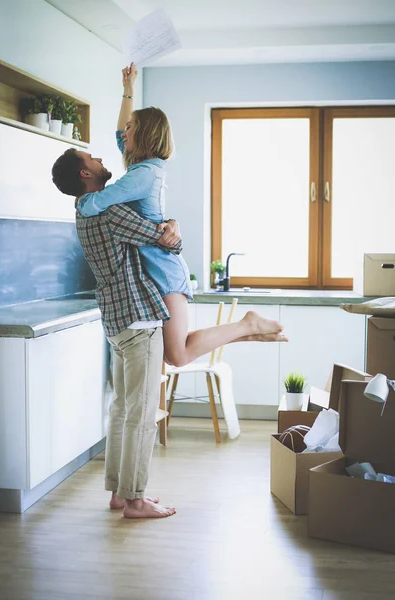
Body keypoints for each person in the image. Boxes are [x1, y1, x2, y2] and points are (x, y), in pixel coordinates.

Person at [75, 63, 288, 368]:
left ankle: (248, 325)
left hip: (163, 269)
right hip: (155, 267)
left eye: (131, 127)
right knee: (174, 354)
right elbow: (119, 134)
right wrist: (128, 91)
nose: (125, 132)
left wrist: (80, 203)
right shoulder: (144, 168)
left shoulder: (142, 175)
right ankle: (250, 330)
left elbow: (100, 202)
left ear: (145, 134)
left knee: (178, 355)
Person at [52, 152, 183, 519]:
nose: (98, 158)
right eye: (90, 157)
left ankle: (117, 493)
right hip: (139, 319)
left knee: (123, 409)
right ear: (85, 172)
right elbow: (167, 241)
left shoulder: (83, 210)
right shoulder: (110, 213)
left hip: (116, 322)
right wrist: (173, 224)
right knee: (141, 415)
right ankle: (136, 500)